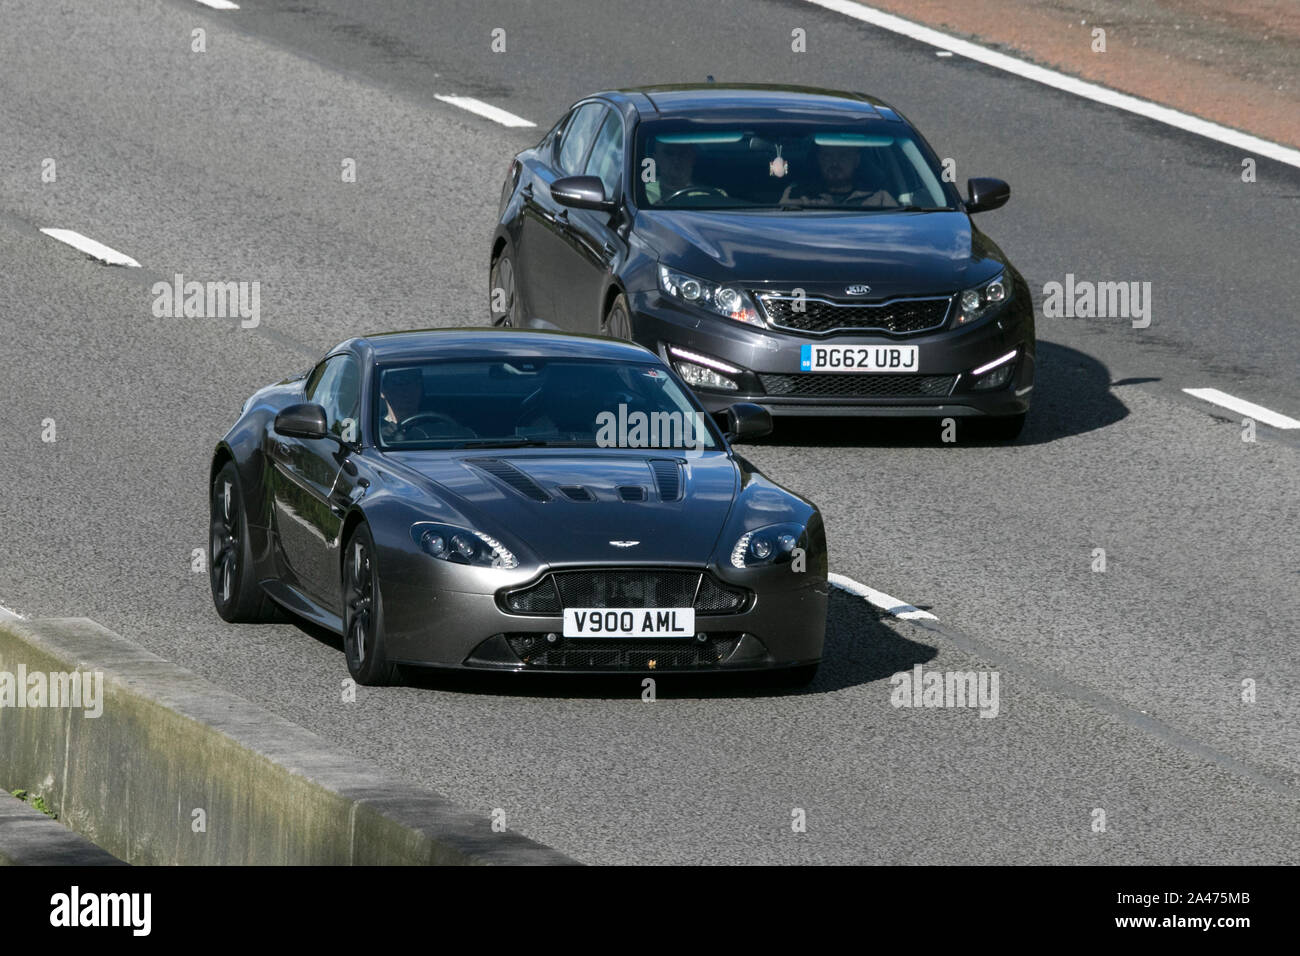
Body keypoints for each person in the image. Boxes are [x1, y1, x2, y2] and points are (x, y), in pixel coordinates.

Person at [779, 143, 896, 207]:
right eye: (827, 156)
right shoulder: (796, 194)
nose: (834, 163)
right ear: (819, 160)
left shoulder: (880, 198)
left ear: (857, 161)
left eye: (843, 156)